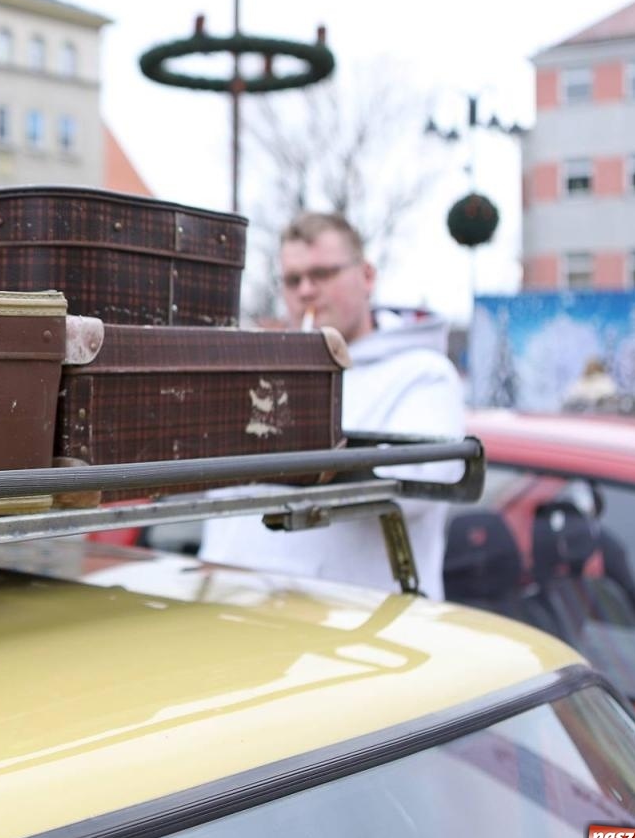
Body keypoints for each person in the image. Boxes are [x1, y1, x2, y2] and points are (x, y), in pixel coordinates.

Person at [199, 212, 466, 596]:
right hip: (240, 617)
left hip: (355, 629)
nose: (306, 291)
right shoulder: (261, 374)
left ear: (367, 276)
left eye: (322, 274)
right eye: (293, 280)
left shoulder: (422, 374)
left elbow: (419, 484)